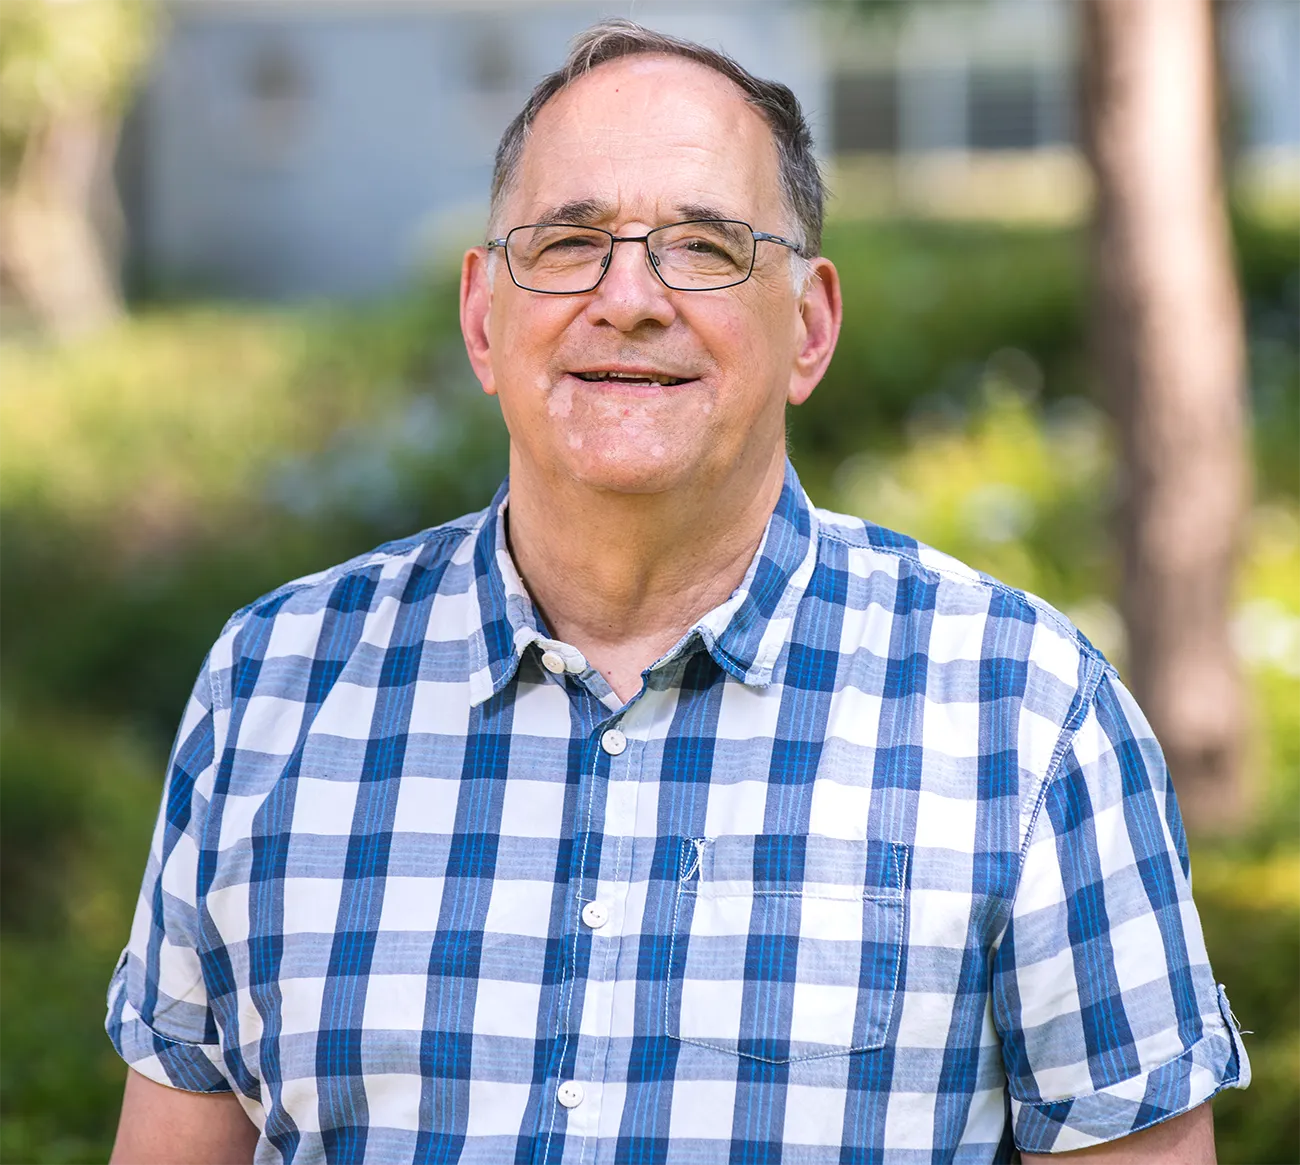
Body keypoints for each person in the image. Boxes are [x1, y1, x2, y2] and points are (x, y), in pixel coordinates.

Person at [106, 19, 1248, 1165]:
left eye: (704, 246)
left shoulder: (1026, 715)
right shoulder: (272, 684)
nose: (630, 297)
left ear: (807, 326)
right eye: (569, 241)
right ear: (479, 317)